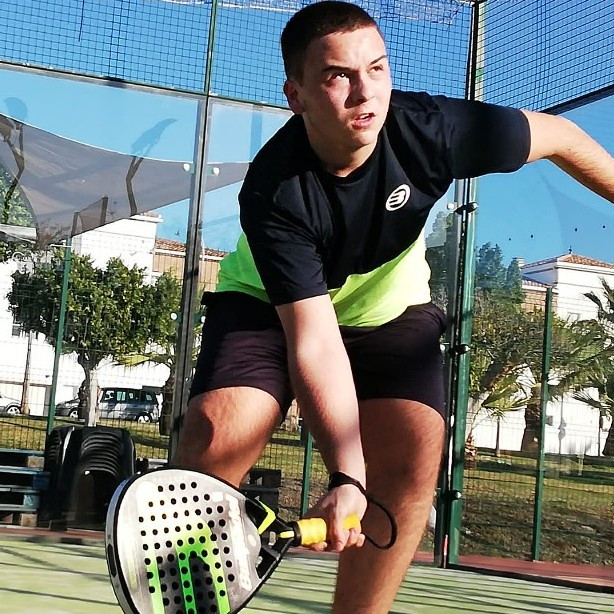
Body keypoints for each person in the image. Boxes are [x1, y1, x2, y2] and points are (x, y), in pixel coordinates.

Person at [172, 2, 614, 612]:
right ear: (296, 96)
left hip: (389, 308)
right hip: (267, 306)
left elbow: (561, 136)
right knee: (217, 435)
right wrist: (346, 475)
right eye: (338, 76)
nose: (365, 92)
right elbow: (315, 341)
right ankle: (187, 598)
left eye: (376, 69)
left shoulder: (431, 130)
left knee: (413, 455)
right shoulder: (275, 190)